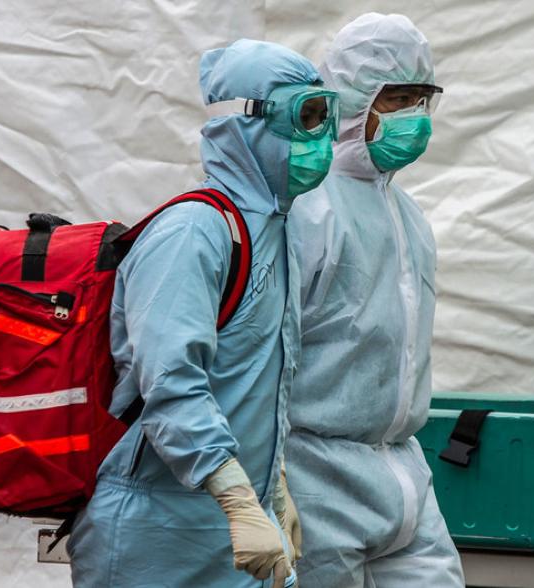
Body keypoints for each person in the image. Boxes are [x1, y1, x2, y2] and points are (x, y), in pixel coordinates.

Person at [67, 39, 338, 588]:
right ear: (250, 123)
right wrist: (239, 500)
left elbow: (255, 383)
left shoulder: (275, 231)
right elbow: (172, 384)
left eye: (326, 115)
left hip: (225, 532)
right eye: (305, 117)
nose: (322, 139)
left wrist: (273, 484)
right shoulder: (193, 231)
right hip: (158, 536)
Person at [286, 13, 465, 587]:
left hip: (402, 470)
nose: (415, 116)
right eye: (398, 98)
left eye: (422, 98)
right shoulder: (304, 208)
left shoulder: (407, 215)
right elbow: (266, 353)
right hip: (314, 474)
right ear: (352, 100)